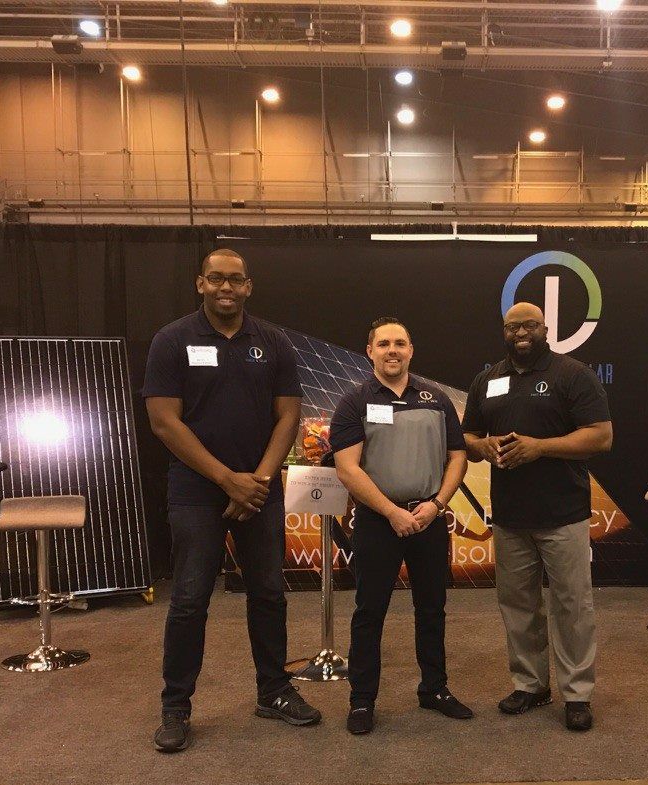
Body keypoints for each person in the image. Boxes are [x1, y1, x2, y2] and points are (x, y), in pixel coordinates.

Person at [143, 248, 320, 753]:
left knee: (268, 593)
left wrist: (257, 482)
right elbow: (164, 422)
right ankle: (176, 707)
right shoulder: (172, 340)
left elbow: (288, 416)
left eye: (235, 280)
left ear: (248, 287)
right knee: (190, 600)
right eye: (216, 279)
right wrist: (227, 480)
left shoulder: (273, 342)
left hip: (259, 489)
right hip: (196, 491)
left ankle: (274, 692)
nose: (226, 287)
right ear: (200, 284)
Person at [461, 302, 612, 732]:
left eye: (529, 325)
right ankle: (530, 684)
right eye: (512, 327)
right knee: (518, 604)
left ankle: (577, 694)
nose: (520, 333)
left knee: (571, 606)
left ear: (545, 329)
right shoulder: (487, 380)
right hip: (510, 517)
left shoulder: (573, 375)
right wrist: (483, 446)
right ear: (503, 332)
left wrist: (540, 447)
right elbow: (468, 436)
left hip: (563, 514)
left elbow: (601, 437)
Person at [329, 317, 471, 735]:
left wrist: (437, 504)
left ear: (411, 351)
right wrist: (392, 512)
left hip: (429, 519)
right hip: (377, 522)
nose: (393, 350)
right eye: (385, 343)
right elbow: (347, 469)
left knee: (432, 609)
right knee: (369, 612)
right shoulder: (354, 401)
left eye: (401, 343)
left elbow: (457, 457)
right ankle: (361, 701)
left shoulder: (436, 399)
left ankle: (434, 690)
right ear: (370, 350)